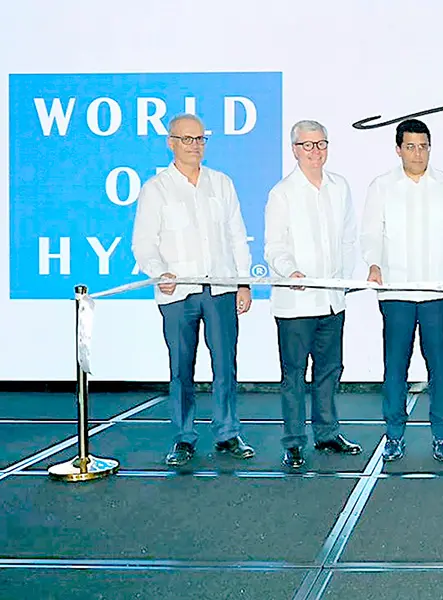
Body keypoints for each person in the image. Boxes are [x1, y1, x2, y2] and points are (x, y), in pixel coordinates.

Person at [131, 113, 255, 467]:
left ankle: (228, 433)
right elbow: (143, 243)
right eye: (187, 139)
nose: (195, 145)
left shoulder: (221, 183)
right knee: (181, 368)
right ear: (171, 143)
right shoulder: (156, 189)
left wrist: (243, 281)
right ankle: (184, 437)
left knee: (225, 365)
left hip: (221, 289)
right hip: (178, 294)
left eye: (200, 138)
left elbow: (237, 236)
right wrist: (159, 272)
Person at [360, 118, 443, 463]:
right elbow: (371, 233)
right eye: (410, 146)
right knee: (395, 368)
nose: (418, 153)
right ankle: (394, 435)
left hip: (437, 291)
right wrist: (373, 263)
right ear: (398, 149)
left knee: (440, 368)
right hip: (396, 292)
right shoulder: (381, 187)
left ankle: (442, 436)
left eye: (423, 146)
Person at [264, 119, 364, 469]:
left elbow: (349, 238)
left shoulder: (340, 187)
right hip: (295, 303)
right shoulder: (282, 194)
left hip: (332, 300)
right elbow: (274, 246)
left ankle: (327, 433)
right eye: (307, 145)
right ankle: (293, 442)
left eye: (321, 143)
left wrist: (343, 279)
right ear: (295, 150)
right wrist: (289, 270)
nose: (315, 151)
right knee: (294, 374)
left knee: (329, 370)